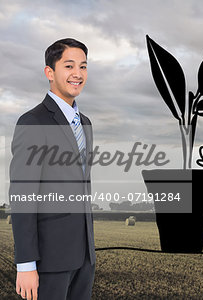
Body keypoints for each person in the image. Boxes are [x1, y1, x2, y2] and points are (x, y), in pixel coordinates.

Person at [9, 38, 95, 300]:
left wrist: (89, 254)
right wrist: (25, 264)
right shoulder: (33, 122)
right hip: (48, 261)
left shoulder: (85, 123)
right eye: (69, 66)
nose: (77, 74)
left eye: (83, 66)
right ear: (50, 72)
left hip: (84, 258)